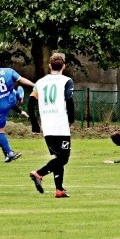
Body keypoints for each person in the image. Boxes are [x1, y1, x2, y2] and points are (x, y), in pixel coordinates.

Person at [27, 53, 75, 198]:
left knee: (58, 157)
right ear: (64, 66)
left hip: (47, 126)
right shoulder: (66, 81)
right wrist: (71, 119)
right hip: (60, 125)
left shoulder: (40, 82)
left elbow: (30, 104)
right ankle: (39, 173)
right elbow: (69, 100)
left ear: (49, 66)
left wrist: (35, 123)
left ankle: (59, 190)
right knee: (63, 158)